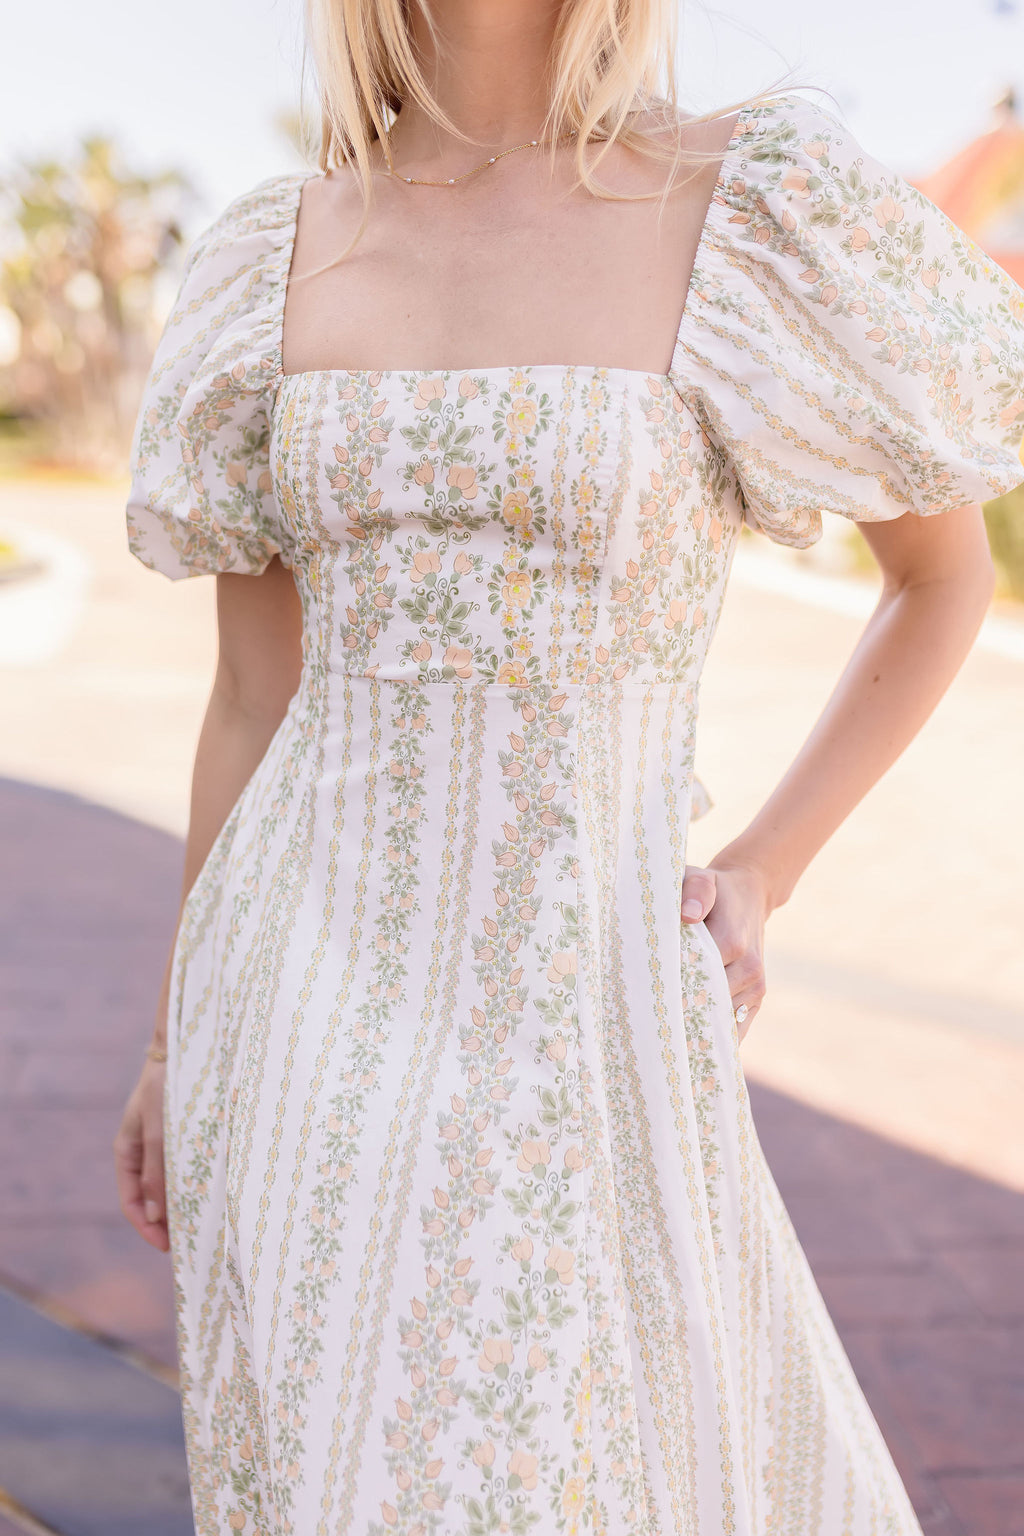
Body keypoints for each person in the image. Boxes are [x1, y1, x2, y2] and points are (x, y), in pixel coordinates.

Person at [113, 0, 1024, 1530]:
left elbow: (941, 580)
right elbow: (254, 698)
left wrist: (764, 869)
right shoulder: (270, 254)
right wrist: (164, 1048)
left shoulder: (749, 207)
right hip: (290, 1018)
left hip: (581, 1032)